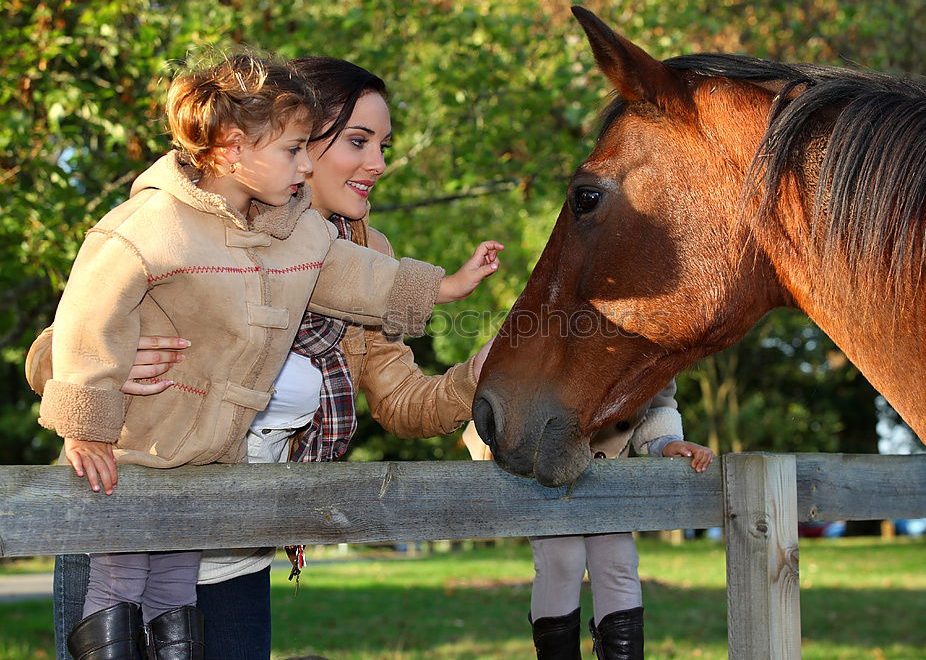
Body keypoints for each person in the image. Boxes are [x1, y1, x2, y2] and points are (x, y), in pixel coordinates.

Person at [29, 57, 499, 660]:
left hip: (233, 544)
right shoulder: (174, 227)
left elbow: (402, 399)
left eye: (383, 144)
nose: (377, 163)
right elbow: (73, 333)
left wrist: (473, 375)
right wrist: (108, 383)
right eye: (357, 141)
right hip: (123, 494)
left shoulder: (352, 255)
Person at [462, 379, 714, 660]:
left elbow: (656, 397)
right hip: (540, 455)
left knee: (618, 560)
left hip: (605, 466)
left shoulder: (652, 340)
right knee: (562, 557)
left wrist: (667, 441)